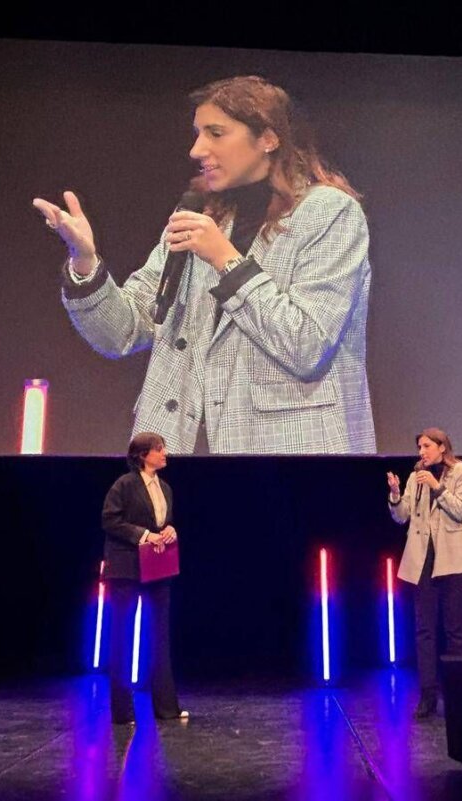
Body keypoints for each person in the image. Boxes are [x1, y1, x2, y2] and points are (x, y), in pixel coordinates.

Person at [33, 75, 375, 454]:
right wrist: (85, 262)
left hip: (283, 458)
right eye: (198, 134)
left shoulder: (329, 212)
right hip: (176, 451)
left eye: (216, 133)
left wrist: (225, 259)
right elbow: (124, 332)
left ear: (267, 138)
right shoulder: (202, 214)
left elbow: (306, 344)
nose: (197, 149)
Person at [386, 428, 462, 718]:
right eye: (419, 447)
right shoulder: (416, 477)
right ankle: (428, 695)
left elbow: (460, 510)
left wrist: (437, 486)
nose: (421, 452)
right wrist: (395, 495)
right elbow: (401, 517)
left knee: (455, 631)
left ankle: (458, 695)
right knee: (424, 629)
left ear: (442, 447)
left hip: (453, 561)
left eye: (426, 446)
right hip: (423, 561)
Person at [101, 432, 187, 725]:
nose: (164, 453)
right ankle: (122, 712)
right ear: (142, 455)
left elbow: (163, 521)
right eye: (159, 449)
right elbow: (110, 520)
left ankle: (166, 707)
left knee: (160, 636)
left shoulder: (165, 487)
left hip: (157, 568)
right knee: (122, 636)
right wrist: (144, 535)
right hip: (126, 568)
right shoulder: (124, 484)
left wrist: (169, 530)